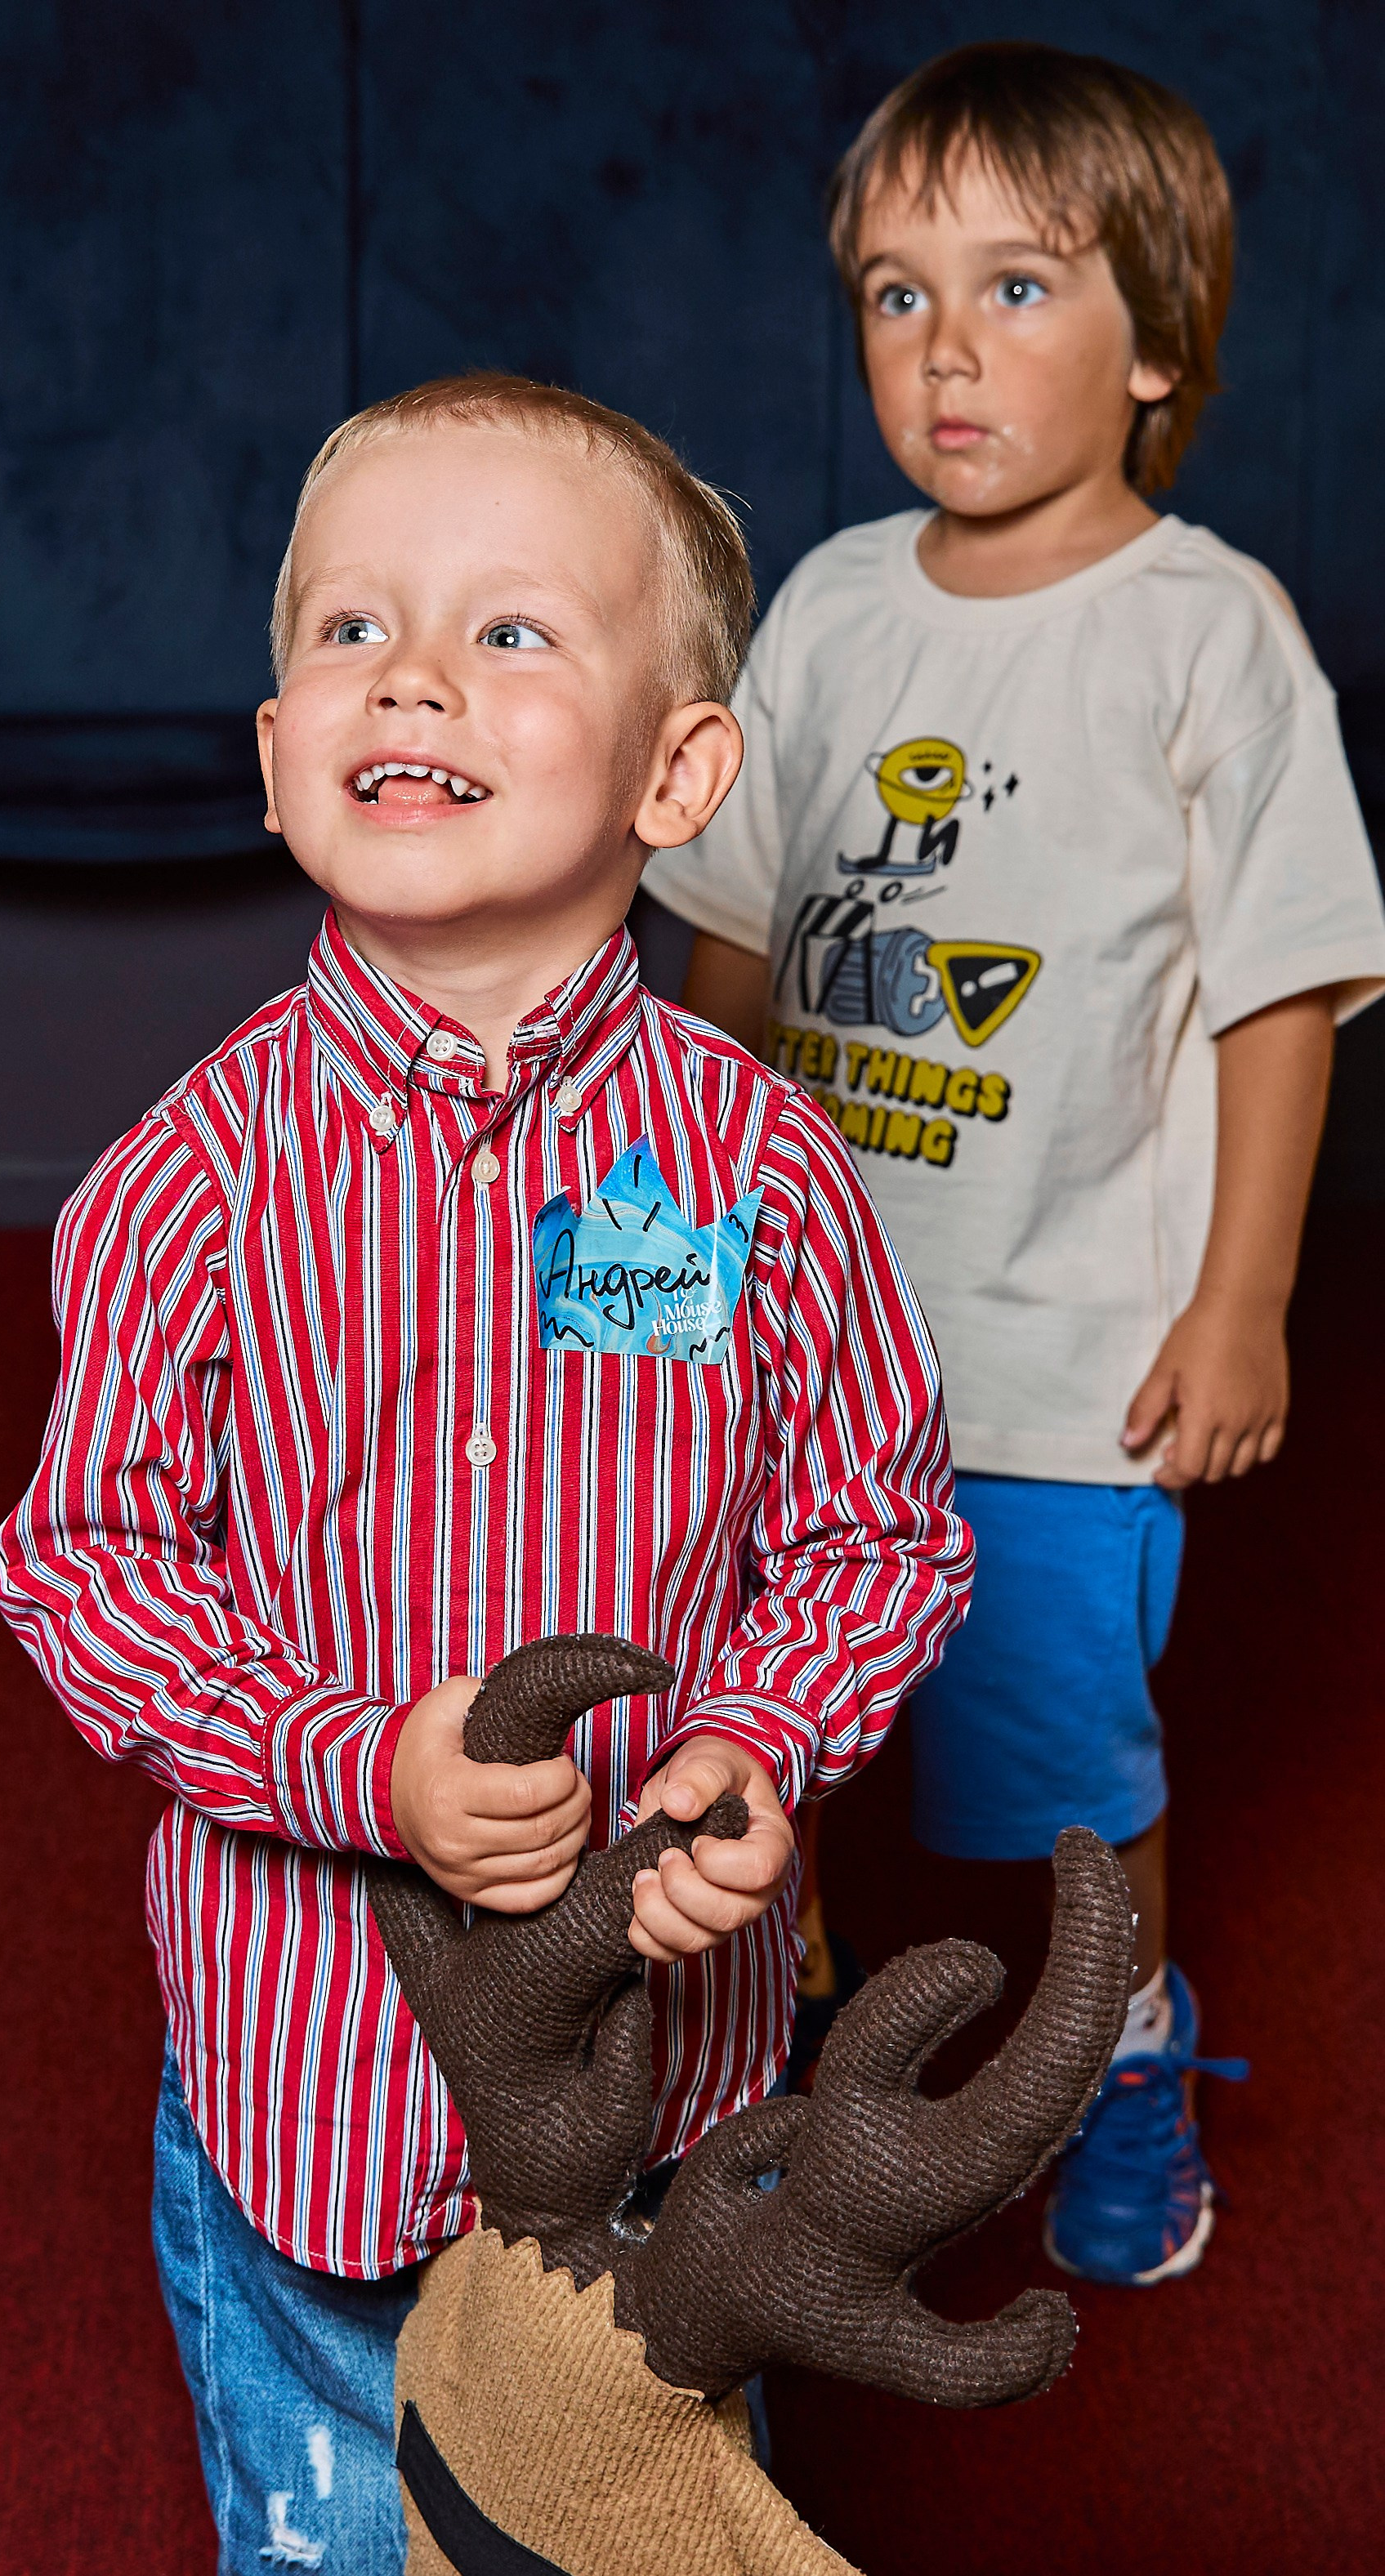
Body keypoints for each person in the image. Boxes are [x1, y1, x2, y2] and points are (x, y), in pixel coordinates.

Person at [0, 373, 972, 2571]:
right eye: (348, 631)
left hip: (667, 2080)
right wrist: (358, 1762)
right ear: (271, 759)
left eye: (508, 634)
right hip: (314, 2080)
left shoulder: (759, 1172)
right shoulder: (187, 1183)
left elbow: (873, 1530)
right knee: (346, 2534)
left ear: (676, 771)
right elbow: (86, 1564)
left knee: (618, 2511)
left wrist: (753, 1738)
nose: (409, 671)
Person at [645, 41, 1385, 2287]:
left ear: (1153, 338)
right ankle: (811, 2078)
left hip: (1059, 1382)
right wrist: (665, 1272)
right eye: (891, 292)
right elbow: (736, 961)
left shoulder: (1207, 635)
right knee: (784, 1740)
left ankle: (1120, 2044)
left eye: (1014, 286)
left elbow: (1274, 994)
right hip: (807, 1349)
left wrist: (1237, 1296)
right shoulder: (836, 606)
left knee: (1059, 1781)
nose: (941, 347)